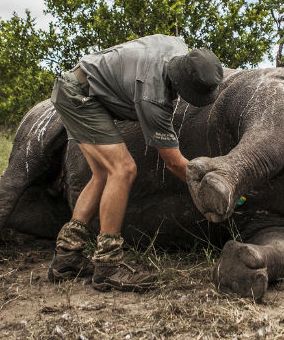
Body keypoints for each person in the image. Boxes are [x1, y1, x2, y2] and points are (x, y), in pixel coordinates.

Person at [47, 34, 223, 291]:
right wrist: (210, 186)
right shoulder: (152, 96)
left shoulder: (178, 47)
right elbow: (174, 163)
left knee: (102, 175)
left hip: (80, 86)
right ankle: (108, 266)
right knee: (123, 169)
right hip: (80, 96)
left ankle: (66, 256)